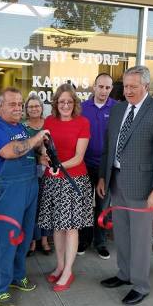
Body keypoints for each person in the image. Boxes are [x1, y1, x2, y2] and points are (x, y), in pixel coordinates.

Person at [97, 65, 153, 305]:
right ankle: (124, 274)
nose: (128, 91)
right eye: (126, 86)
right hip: (116, 181)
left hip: (143, 186)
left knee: (140, 239)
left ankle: (140, 284)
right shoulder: (119, 109)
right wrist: (102, 176)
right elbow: (109, 146)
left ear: (145, 87)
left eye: (133, 86)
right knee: (121, 233)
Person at [0, 87, 48, 306]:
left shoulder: (20, 126)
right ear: (0, 107)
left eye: (20, 104)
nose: (18, 108)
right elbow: (9, 152)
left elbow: (27, 150)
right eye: (13, 104)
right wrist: (36, 138)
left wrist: (41, 156)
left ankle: (17, 276)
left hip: (28, 185)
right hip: (5, 190)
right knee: (3, 240)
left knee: (23, 235)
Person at [38, 84, 93, 291]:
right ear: (56, 103)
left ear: (75, 103)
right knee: (57, 226)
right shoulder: (49, 121)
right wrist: (45, 160)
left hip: (74, 180)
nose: (66, 105)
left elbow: (79, 157)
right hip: (53, 180)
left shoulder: (83, 123)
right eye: (62, 101)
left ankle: (68, 271)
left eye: (70, 101)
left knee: (71, 227)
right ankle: (60, 265)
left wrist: (56, 165)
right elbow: (45, 148)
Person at [79, 73, 117, 259]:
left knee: (103, 206)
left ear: (111, 89)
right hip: (84, 164)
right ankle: (84, 240)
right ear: (94, 87)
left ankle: (100, 242)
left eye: (107, 87)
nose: (103, 91)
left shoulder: (117, 108)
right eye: (100, 87)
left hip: (106, 167)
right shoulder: (82, 108)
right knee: (85, 204)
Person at [23, 94, 52, 256]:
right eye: (31, 106)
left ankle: (45, 240)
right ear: (26, 109)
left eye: (37, 106)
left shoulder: (48, 123)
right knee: (32, 206)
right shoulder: (22, 127)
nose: (34, 109)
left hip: (47, 170)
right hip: (31, 169)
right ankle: (32, 240)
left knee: (46, 205)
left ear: (42, 107)